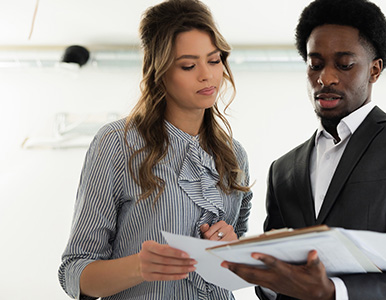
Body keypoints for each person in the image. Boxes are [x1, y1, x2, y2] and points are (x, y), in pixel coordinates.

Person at [221, 0, 386, 299]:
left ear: (375, 70)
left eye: (344, 65)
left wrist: (334, 292)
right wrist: (265, 280)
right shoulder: (283, 169)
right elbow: (274, 276)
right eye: (315, 64)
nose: (325, 78)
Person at [58, 0, 252, 299]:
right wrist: (139, 266)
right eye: (188, 65)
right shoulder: (117, 143)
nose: (207, 75)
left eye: (214, 61)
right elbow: (75, 272)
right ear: (158, 71)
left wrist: (230, 249)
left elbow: (235, 267)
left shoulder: (234, 154)